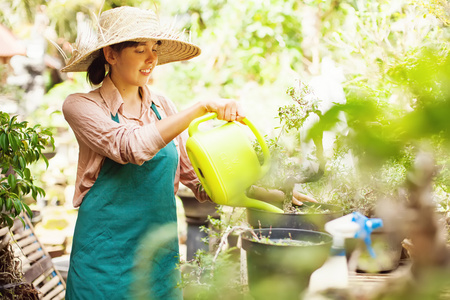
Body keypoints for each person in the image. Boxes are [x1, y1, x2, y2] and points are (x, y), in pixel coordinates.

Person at [60, 6, 245, 300]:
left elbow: (197, 179)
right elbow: (130, 147)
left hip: (159, 263)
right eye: (139, 50)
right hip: (103, 264)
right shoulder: (81, 106)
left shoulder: (164, 108)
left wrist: (266, 189)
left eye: (155, 48)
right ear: (111, 54)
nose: (151, 59)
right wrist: (200, 108)